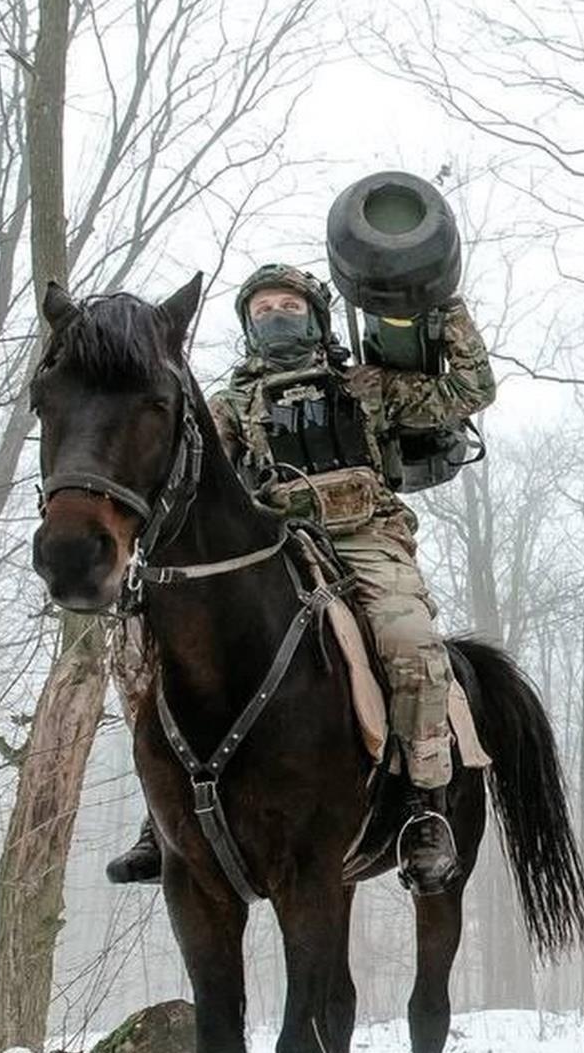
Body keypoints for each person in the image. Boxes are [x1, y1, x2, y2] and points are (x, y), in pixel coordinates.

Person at [108, 263, 495, 893]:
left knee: (411, 642)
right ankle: (162, 814)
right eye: (261, 311)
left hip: (367, 538)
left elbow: (470, 391)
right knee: (149, 649)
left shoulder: (367, 386)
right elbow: (196, 473)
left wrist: (442, 304)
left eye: (287, 304)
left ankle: (427, 809)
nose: (275, 316)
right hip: (273, 544)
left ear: (315, 315)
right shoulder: (231, 405)